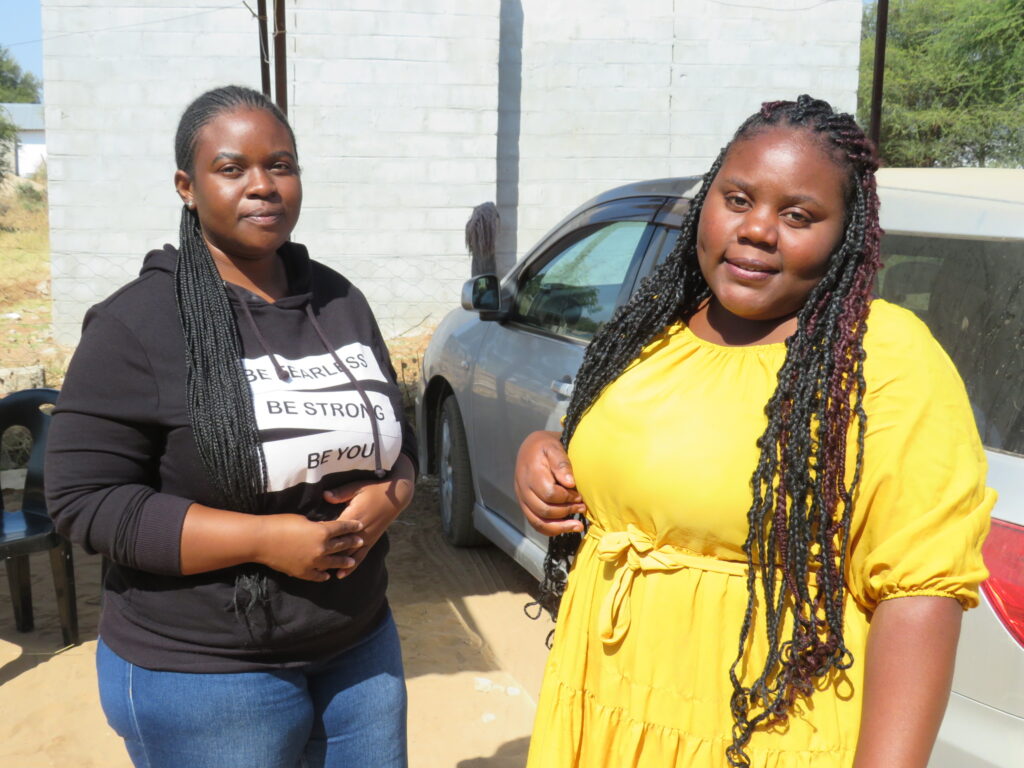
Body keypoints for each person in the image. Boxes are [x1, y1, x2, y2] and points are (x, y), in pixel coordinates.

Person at [514, 95, 994, 768]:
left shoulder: (883, 359)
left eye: (798, 215)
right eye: (737, 199)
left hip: (757, 735)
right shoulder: (653, 328)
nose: (758, 230)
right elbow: (607, 450)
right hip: (602, 707)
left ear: (844, 234)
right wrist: (543, 457)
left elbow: (918, 596)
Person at [45, 85, 417, 768]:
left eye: (280, 165)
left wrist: (389, 499)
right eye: (232, 167)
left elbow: (398, 438)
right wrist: (264, 540)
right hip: (206, 675)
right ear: (187, 186)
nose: (263, 185)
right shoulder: (137, 323)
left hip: (360, 649)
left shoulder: (339, 300)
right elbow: (84, 501)